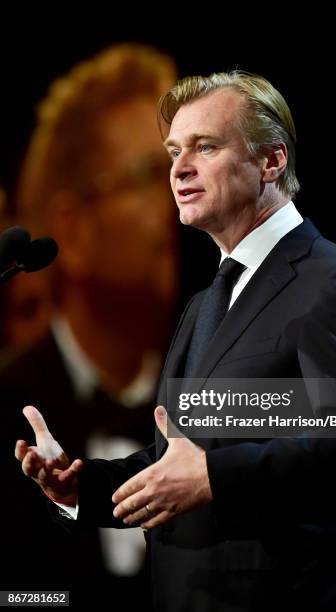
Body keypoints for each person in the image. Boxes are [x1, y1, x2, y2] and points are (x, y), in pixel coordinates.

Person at [15, 72, 336, 611]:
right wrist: (82, 487)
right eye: (174, 151)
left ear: (272, 161)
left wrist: (215, 478)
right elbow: (184, 455)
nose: (178, 168)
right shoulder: (204, 303)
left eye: (206, 147)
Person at [2, 44, 178, 606]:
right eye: (150, 173)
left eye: (182, 166)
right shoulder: (7, 404)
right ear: (71, 231)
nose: (179, 197)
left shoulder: (213, 378)